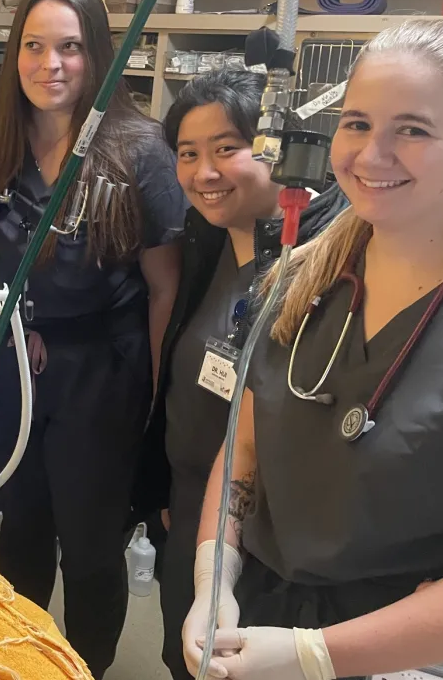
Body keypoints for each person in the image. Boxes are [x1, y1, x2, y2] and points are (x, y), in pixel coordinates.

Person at [184, 19, 443, 680]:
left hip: (411, 655)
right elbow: (243, 451)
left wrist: (315, 655)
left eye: (411, 130)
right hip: (260, 620)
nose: (371, 154)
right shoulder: (301, 279)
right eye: (356, 123)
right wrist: (215, 572)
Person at [0, 0, 186, 679]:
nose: (51, 64)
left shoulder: (141, 152)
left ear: (98, 53)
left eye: (71, 47)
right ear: (14, 53)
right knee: (18, 531)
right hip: (11, 364)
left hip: (102, 375)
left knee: (89, 547)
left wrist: (152, 398)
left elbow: (164, 286)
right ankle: (21, 663)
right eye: (35, 45)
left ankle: (86, 667)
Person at [147, 69, 348, 680]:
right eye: (188, 154)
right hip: (191, 514)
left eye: (227, 149)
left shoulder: (312, 267)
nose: (204, 173)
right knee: (179, 659)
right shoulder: (211, 244)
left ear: (279, 151)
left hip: (259, 542)